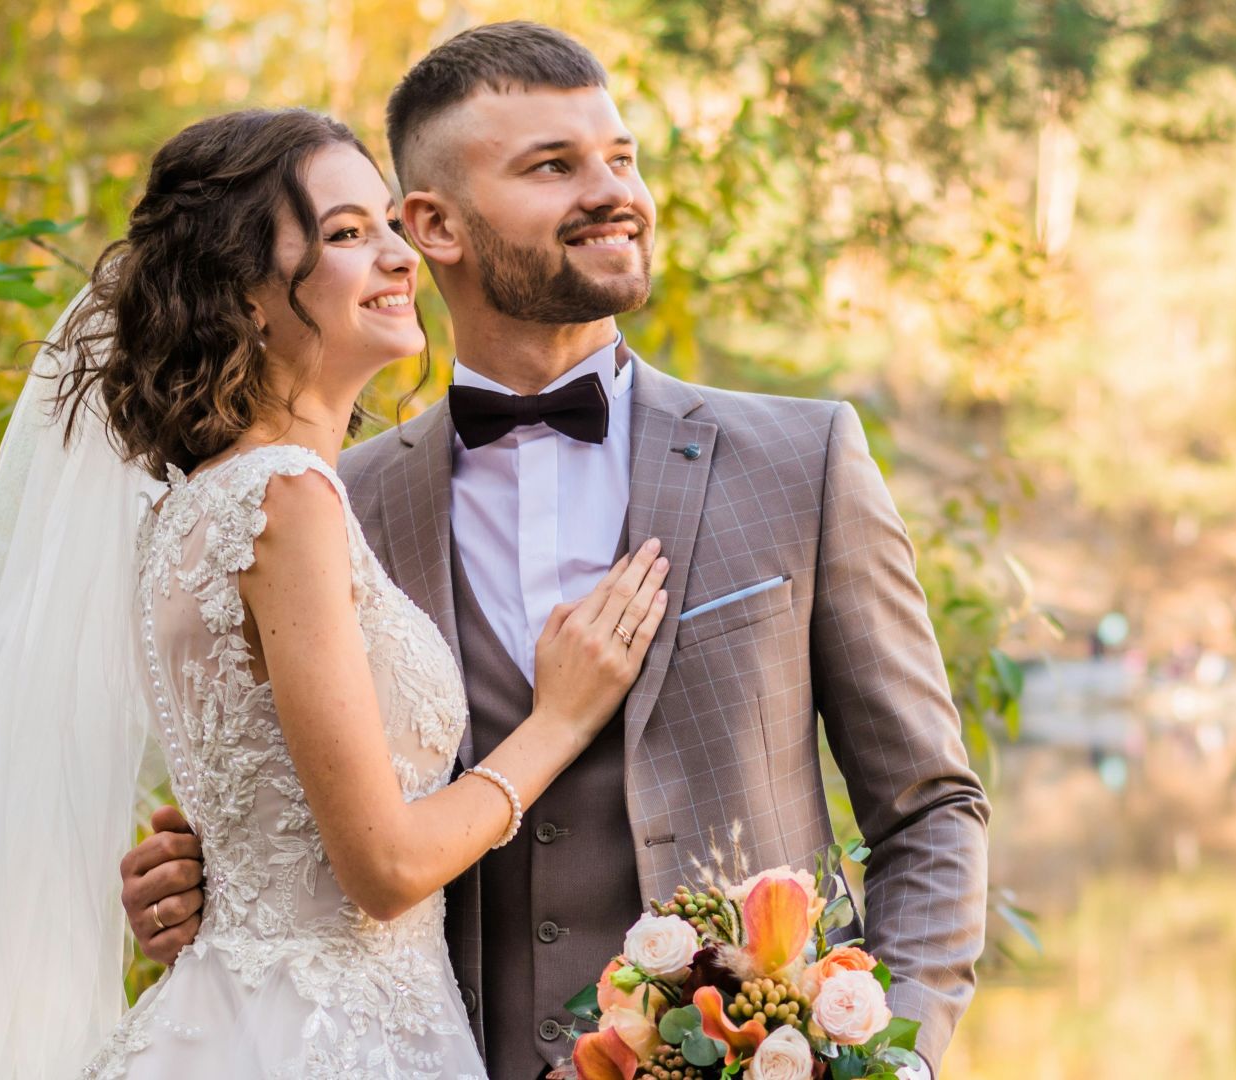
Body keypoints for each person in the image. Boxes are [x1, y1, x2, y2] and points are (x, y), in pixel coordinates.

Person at [119, 22, 990, 1079]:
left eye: (620, 158)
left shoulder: (799, 462)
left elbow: (931, 809)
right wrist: (204, 879)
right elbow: (323, 828)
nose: (613, 190)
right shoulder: (324, 502)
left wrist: (894, 1057)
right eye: (553, 167)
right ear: (433, 224)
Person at [0, 107, 668, 1078]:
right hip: (329, 1041)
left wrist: (204, 869)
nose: (398, 254)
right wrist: (561, 718)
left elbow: (263, 811)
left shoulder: (189, 509)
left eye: (387, 224)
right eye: (344, 234)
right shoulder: (285, 499)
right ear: (246, 297)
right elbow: (384, 870)